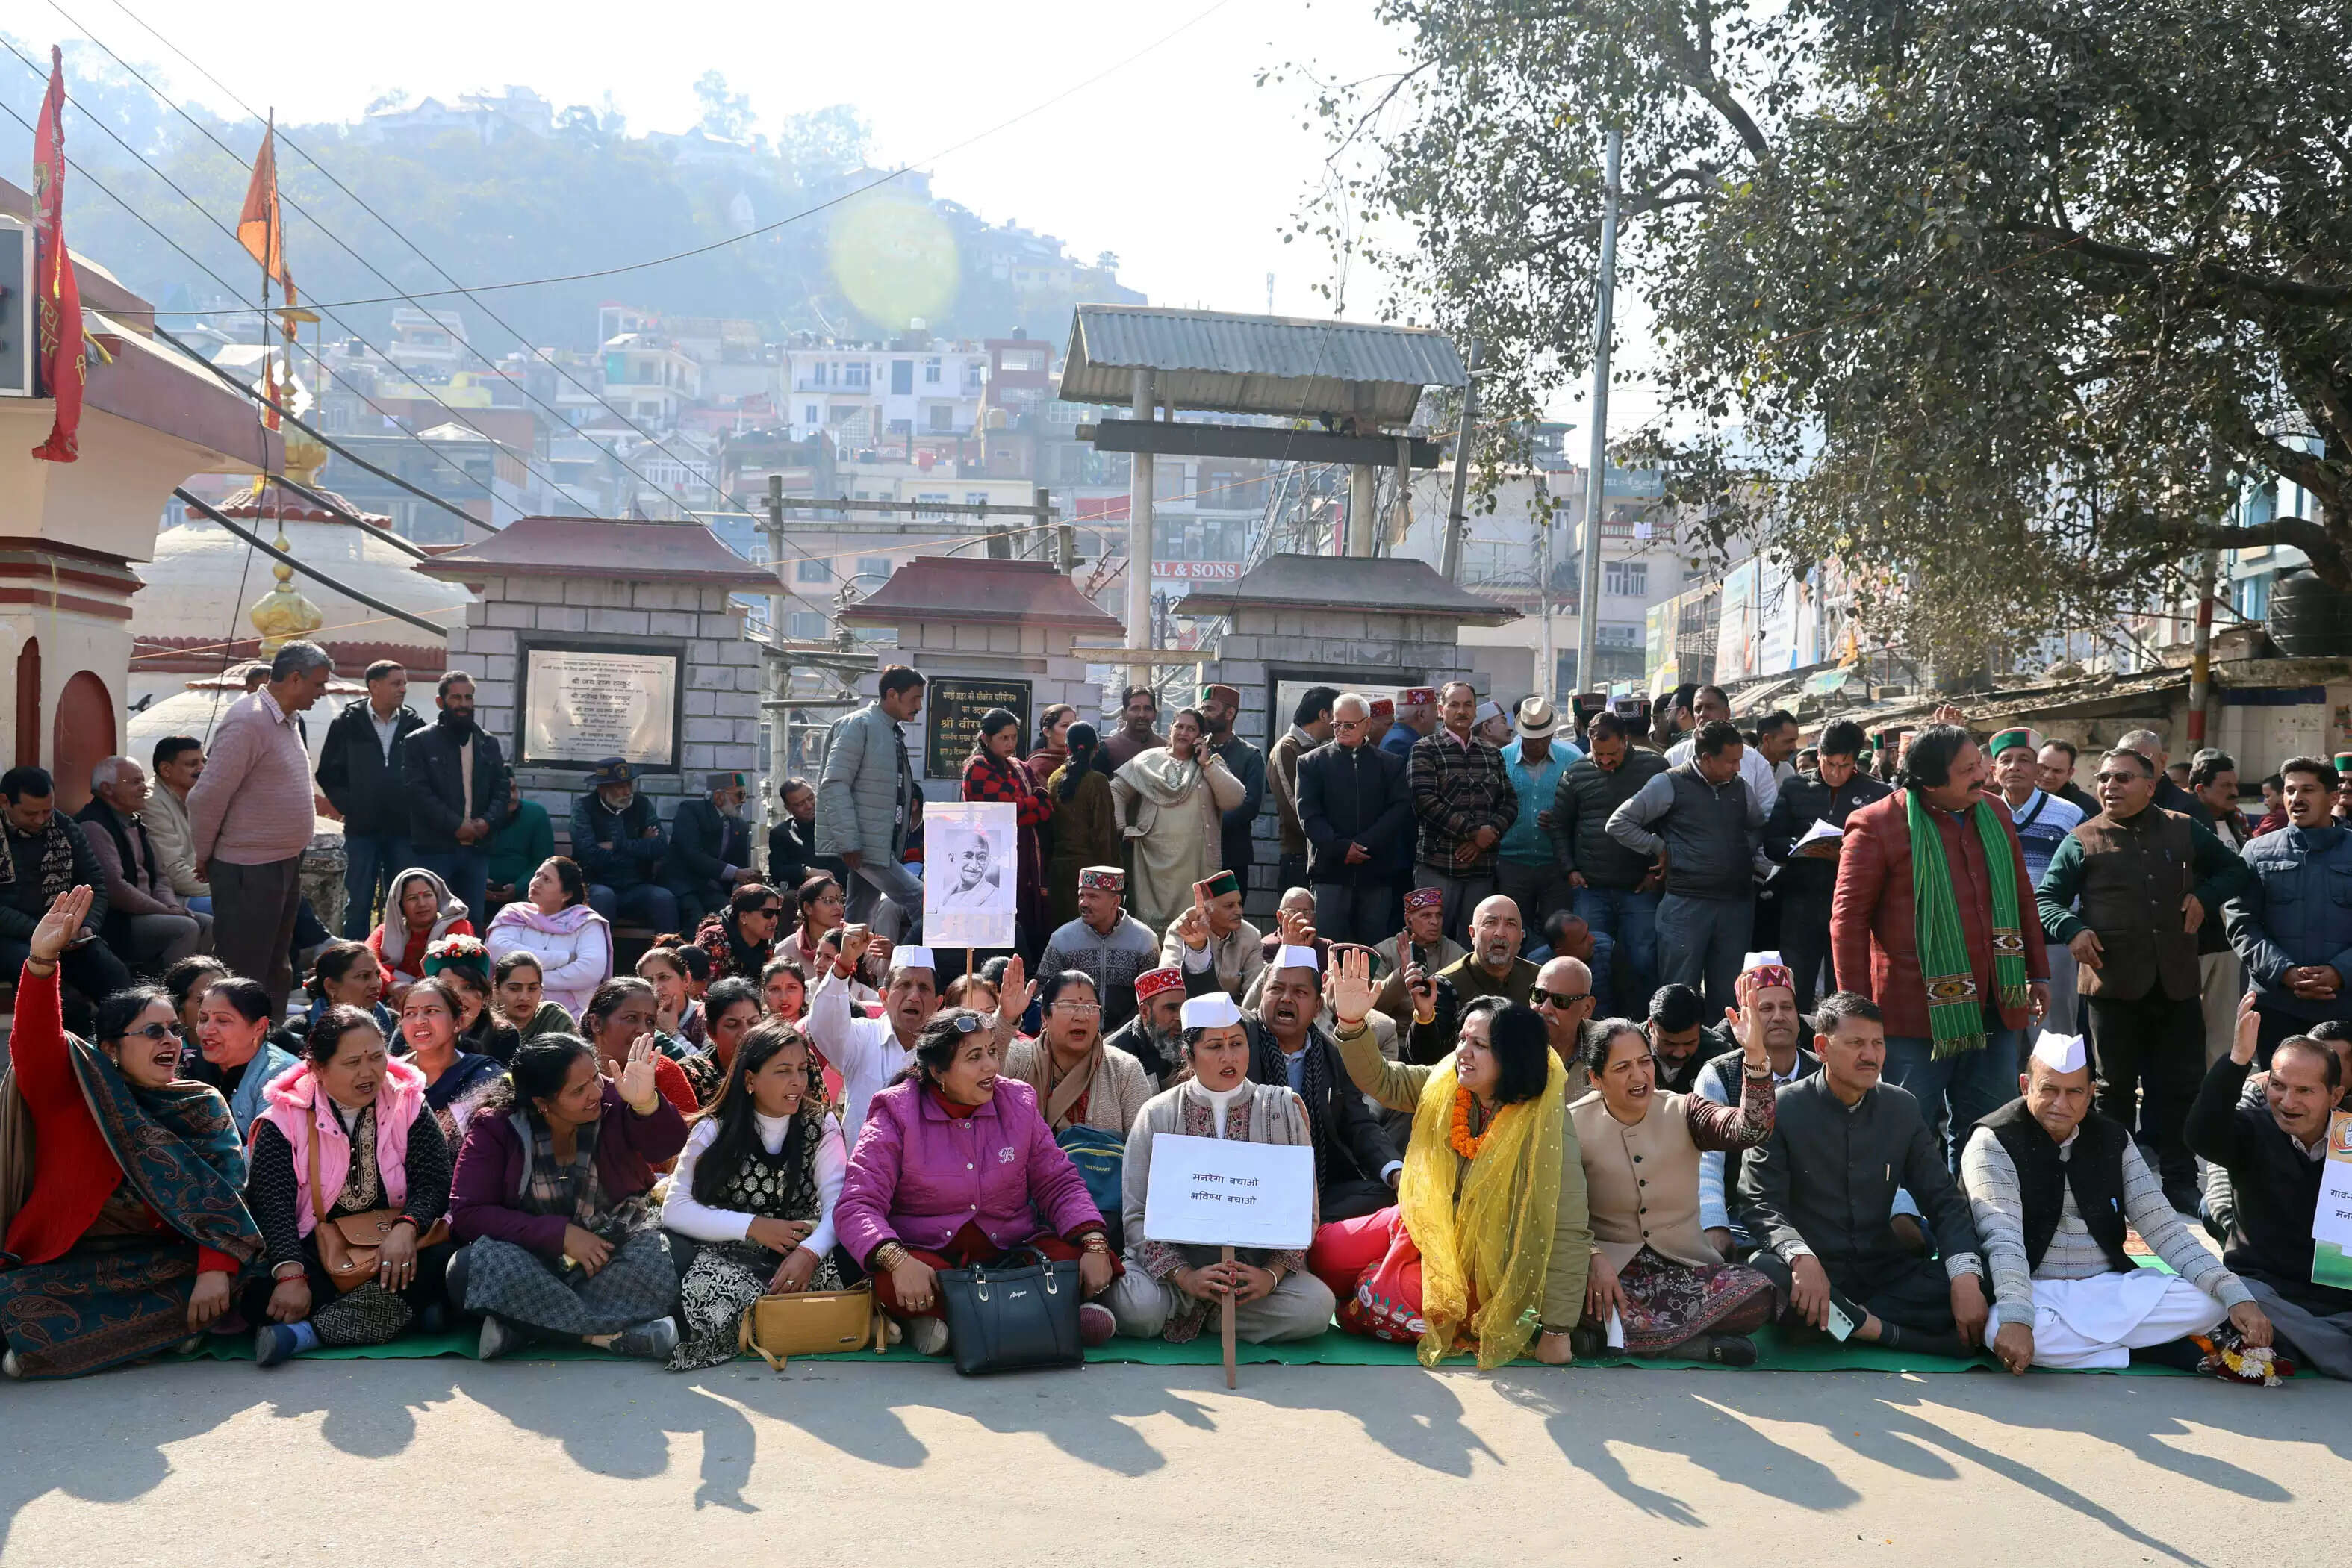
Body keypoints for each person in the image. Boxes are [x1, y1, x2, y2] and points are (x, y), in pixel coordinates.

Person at [0, 889, 263, 1378]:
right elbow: (34, 1042)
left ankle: (79, 1345)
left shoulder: (200, 1102)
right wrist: (41, 961)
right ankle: (161, 1333)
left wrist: (214, 1268)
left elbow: (226, 1191)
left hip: (160, 1260)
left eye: (173, 1031)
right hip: (71, 1262)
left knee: (238, 1275)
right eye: (152, 1032)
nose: (169, 1040)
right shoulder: (74, 1094)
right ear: (111, 1049)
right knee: (14, 1298)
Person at [1317, 960, 1587, 1367]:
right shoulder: (1448, 1083)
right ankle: (1388, 1267)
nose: (1462, 1052)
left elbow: (1567, 1228)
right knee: (1323, 1253)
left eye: (1479, 1045)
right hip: (1420, 1223)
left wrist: (1557, 1330)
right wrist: (1354, 1023)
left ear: (1512, 1058)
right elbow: (1384, 1082)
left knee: (1382, 1298)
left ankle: (1390, 1278)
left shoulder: (1545, 1124)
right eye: (1462, 1039)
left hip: (1479, 1266)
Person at [1962, 1028, 2267, 1375]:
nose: (2061, 1104)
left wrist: (2235, 1295)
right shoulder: (1993, 1140)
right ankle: (2143, 1349)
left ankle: (2098, 1347)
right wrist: (2018, 1316)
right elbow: (2003, 1240)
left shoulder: (2113, 1138)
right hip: (2035, 1290)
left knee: (2211, 1302)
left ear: (2091, 1093)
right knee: (1999, 1326)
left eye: (2074, 1092)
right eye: (2049, 1089)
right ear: (2025, 1085)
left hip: (2106, 1288)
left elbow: (2166, 1229)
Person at [2035, 745, 2251, 1213]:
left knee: (2180, 1086)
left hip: (2175, 982)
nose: (2110, 786)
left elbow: (2236, 870)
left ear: (2150, 786)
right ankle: (2111, 1183)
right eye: (2105, 778)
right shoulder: (2082, 837)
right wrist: (2072, 929)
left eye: (2124, 778)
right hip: (2112, 987)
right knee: (2113, 1091)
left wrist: (2204, 896)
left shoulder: (2183, 828)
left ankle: (2179, 1181)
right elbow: (2045, 899)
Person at [836, 1007, 1121, 1357]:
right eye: (974, 1057)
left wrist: (1093, 1243)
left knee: (1077, 1256)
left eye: (991, 1052)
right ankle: (1049, 1316)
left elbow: (1059, 1182)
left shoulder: (1017, 1101)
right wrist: (897, 1260)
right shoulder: (896, 1111)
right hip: (932, 1260)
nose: (991, 1066)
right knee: (896, 1282)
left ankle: (960, 1326)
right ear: (938, 1071)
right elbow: (857, 1204)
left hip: (1010, 1254)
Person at [1832, 723, 2050, 1169]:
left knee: (1990, 1132)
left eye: (1980, 763)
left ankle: (1978, 1224)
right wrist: (1853, 1010)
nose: (1985, 775)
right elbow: (1848, 921)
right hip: (1913, 1013)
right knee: (1904, 1129)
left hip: (1996, 1000)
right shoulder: (1876, 825)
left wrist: (2037, 971)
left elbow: (2022, 894)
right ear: (1931, 782)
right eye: (1969, 769)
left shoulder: (1995, 813)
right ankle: (1905, 1227)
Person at [1740, 991, 1991, 1356]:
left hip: (1882, 1274)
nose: (1871, 1055)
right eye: (1856, 1043)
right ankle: (1885, 1331)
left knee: (1981, 1273)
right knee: (1765, 1271)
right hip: (1812, 1274)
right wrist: (1799, 1256)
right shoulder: (1783, 1108)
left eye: (1878, 1043)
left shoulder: (1901, 1108)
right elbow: (1760, 1203)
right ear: (1823, 1046)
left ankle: (1854, 1326)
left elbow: (1944, 1201)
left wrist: (1965, 1278)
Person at [1110, 992, 1338, 1345]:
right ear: (1189, 1054)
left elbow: (1302, 1213)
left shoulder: (1281, 1109)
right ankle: (1200, 1306)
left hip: (1253, 1277)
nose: (1229, 1056)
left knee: (1317, 1306)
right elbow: (1137, 1216)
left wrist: (1270, 1277)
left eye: (1237, 1043)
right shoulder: (1157, 1114)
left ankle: (1221, 1314)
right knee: (1138, 1307)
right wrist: (1186, 1277)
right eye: (1214, 1046)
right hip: (1175, 1278)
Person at [447, 1033, 686, 1361]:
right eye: (578, 1090)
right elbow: (469, 1212)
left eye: (594, 1078)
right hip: (533, 1257)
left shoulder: (616, 1098)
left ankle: (524, 1325)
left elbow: (668, 1147)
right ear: (542, 1103)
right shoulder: (496, 1125)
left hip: (614, 1246)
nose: (594, 1093)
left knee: (676, 1256)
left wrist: (646, 1104)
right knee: (467, 1269)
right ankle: (609, 1337)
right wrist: (561, 1235)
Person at [240, 1003, 454, 1365]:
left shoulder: (407, 1100)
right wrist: (291, 1274)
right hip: (317, 1248)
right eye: (353, 1063)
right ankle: (413, 1313)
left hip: (396, 1244)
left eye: (376, 1057)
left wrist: (407, 1227)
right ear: (318, 1068)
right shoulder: (283, 1118)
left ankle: (309, 1335)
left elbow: (435, 1180)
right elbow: (272, 1205)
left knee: (446, 1262)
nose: (369, 1072)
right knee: (258, 1295)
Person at [1572, 1007, 1776, 1364]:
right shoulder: (1571, 1124)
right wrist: (1591, 1256)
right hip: (1610, 1274)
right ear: (1596, 1078)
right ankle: (1694, 1345)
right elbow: (1557, 1208)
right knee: (1561, 1294)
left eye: (1644, 1062)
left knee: (1759, 1293)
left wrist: (1756, 1056)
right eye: (1622, 1068)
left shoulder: (1685, 1110)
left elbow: (1750, 1129)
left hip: (1683, 1270)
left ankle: (1615, 1339)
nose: (1639, 1075)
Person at [661, 1019, 853, 1372]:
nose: (798, 1082)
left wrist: (810, 1253)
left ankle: (767, 1323)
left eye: (801, 1070)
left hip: (797, 1247)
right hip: (726, 1250)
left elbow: (837, 1205)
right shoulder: (713, 1127)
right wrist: (753, 1226)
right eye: (783, 1071)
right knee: (703, 1285)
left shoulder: (820, 1124)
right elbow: (674, 1209)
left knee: (847, 1261)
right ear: (750, 1080)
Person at [2187, 999, 2352, 1378]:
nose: (2288, 1102)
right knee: (2226, 1297)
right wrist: (2237, 1060)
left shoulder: (2349, 1137)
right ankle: (2312, 1347)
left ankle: (2287, 1345)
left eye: (2305, 1091)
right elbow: (2201, 1134)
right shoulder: (2251, 1129)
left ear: (2335, 1096)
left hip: (2338, 1297)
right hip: (2264, 1290)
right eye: (2278, 1086)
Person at [187, 640, 333, 1018]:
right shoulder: (249, 720)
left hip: (281, 861)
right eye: (318, 685)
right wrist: (205, 854)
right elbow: (206, 797)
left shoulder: (287, 719)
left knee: (276, 966)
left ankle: (269, 1042)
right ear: (295, 678)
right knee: (244, 971)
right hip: (247, 867)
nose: (323, 692)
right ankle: (234, 1053)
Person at [1234, 947, 1402, 1220]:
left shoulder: (1330, 1053)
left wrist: (1396, 1171)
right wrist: (1197, 954)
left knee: (1384, 1195)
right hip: (1245, 1185)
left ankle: (1304, 1228)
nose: (1286, 998)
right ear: (1262, 993)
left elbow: (1357, 1121)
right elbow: (1208, 1016)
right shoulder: (1239, 1037)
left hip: (1314, 1187)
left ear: (1316, 1007)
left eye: (1300, 992)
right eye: (1276, 988)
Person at [1605, 720, 1761, 1015]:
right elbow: (1619, 823)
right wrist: (1659, 848)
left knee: (1729, 998)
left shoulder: (1740, 788)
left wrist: (1743, 853)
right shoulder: (1669, 783)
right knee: (1678, 995)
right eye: (1731, 761)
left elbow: (1756, 827)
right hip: (1686, 906)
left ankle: (1721, 1055)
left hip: (1735, 907)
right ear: (1706, 759)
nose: (1737, 768)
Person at [1696, 956, 1832, 1260]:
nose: (1779, 1016)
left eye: (1787, 1007)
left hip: (1822, 1219)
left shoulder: (1826, 1070)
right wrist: (1714, 1223)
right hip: (1742, 1218)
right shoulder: (1719, 1074)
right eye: (1765, 1009)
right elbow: (1708, 1161)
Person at [2227, 756, 2352, 1066]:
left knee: (2342, 1104)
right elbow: (2242, 924)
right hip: (2278, 1005)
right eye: (2290, 790)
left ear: (2333, 797)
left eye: (2308, 790)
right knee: (2279, 1099)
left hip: (2345, 1006)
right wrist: (2284, 972)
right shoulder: (2257, 852)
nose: (2296, 798)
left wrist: (2341, 972)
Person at [1761, 719, 1891, 1013]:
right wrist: (1799, 847)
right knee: (1796, 987)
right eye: (1828, 763)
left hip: (1852, 908)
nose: (1834, 773)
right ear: (1817, 753)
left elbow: (1886, 854)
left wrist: (1848, 856)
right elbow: (1771, 843)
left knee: (1845, 990)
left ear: (1856, 761)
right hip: (1800, 903)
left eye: (1844, 765)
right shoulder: (1795, 787)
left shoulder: (1877, 794)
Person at [803, 932, 957, 1145]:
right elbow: (824, 1027)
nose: (913, 996)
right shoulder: (862, 1037)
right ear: (883, 997)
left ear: (938, 1003)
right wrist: (843, 965)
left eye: (924, 988)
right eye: (904, 986)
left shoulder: (947, 1053)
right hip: (863, 1173)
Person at [1984, 725, 2085, 1033]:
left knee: (2055, 1034)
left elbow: (2084, 880)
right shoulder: (1979, 812)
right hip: (1993, 943)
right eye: (2006, 759)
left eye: (2024, 759)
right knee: (2000, 1034)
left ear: (2038, 769)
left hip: (2052, 942)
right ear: (1994, 769)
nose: (2014, 766)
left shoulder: (2069, 815)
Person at [315, 659, 423, 939]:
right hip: (362, 831)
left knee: (402, 900)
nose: (403, 689)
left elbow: (427, 775)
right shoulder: (347, 723)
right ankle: (355, 960)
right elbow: (327, 773)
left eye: (404, 683)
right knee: (359, 902)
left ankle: (397, 960)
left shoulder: (415, 724)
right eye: (396, 683)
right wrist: (352, 807)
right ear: (374, 686)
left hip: (403, 831)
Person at [1111, 706, 1246, 930]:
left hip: (1196, 861)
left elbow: (1234, 799)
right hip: (1151, 862)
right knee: (1149, 932)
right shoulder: (1147, 761)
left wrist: (1207, 764)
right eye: (1179, 726)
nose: (1184, 733)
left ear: (1200, 737)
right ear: (1170, 729)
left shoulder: (1210, 763)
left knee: (1193, 927)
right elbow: (1116, 790)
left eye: (1191, 729)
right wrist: (1122, 828)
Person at [817, 665, 927, 938]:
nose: (919, 706)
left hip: (874, 845)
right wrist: (850, 842)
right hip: (865, 845)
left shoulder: (888, 729)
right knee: (923, 901)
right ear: (892, 694)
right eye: (914, 698)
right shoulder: (859, 725)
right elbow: (834, 784)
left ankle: (847, 972)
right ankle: (920, 971)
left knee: (858, 919)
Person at [1409, 682, 1519, 945]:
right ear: (1440, 709)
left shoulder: (1491, 753)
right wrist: (1472, 833)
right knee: (1429, 939)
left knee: (1477, 941)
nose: (1461, 711)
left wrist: (1487, 836)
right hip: (1438, 864)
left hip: (1481, 868)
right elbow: (1425, 802)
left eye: (1468, 704)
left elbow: (1510, 802)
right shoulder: (1425, 749)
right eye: (1454, 705)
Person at [76, 757, 209, 974]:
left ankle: (196, 991)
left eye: (142, 781)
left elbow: (161, 877)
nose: (143, 788)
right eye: (135, 782)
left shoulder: (135, 821)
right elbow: (116, 889)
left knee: (207, 923)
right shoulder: (94, 826)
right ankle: (169, 995)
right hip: (118, 920)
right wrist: (165, 911)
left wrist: (170, 907)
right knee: (186, 928)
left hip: (148, 911)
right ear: (107, 789)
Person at [1299, 692, 1413, 945]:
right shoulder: (1312, 763)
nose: (1341, 730)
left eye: (1349, 725)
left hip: (1376, 871)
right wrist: (1341, 848)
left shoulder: (1390, 764)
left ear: (1367, 724)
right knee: (1328, 947)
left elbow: (1399, 810)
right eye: (1336, 724)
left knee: (1372, 950)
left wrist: (1364, 844)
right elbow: (1309, 815)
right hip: (1330, 871)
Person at [399, 671, 505, 928]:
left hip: (477, 851)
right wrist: (456, 825)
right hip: (436, 849)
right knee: (433, 923)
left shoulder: (487, 742)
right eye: (456, 698)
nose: (464, 704)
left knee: (472, 922)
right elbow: (418, 793)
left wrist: (487, 822)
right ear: (441, 702)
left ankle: (470, 970)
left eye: (468, 698)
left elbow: (502, 790)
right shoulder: (419, 742)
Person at [1402, 894, 1537, 1064]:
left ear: (1521, 936)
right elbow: (1425, 1059)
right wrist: (1424, 1014)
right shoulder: (1446, 985)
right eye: (1490, 922)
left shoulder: (1540, 981)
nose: (1500, 933)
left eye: (1510, 925)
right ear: (1472, 934)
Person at [959, 707, 1054, 948]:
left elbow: (1046, 806)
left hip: (1023, 854)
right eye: (1004, 738)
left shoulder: (1018, 766)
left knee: (1025, 912)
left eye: (1014, 737)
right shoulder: (977, 768)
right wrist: (1028, 805)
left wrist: (1024, 808)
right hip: (993, 855)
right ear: (985, 739)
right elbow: (1003, 812)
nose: (1011, 743)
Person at [485, 855, 613, 1020]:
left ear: (566, 894)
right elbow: (498, 950)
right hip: (511, 1014)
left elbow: (590, 970)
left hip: (571, 1018)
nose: (537, 882)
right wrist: (563, 958)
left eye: (547, 879)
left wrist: (532, 983)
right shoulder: (514, 914)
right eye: (537, 875)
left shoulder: (586, 922)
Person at [178, 973, 302, 1139]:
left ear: (259, 1027)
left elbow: (261, 1152)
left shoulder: (282, 1075)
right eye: (203, 1018)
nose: (207, 1030)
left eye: (222, 1021)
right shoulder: (187, 1063)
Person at [1039, 865, 1160, 1033]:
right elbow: (1043, 993)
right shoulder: (1062, 939)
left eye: (1093, 897)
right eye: (1081, 895)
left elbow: (1150, 1001)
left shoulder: (1145, 941)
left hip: (1129, 1037)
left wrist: (1117, 1035)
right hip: (1071, 1034)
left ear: (1115, 902)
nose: (1083, 903)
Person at [1496, 697, 1581, 933]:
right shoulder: (1501, 759)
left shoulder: (1571, 761)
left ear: (1552, 735)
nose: (1537, 744)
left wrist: (1560, 818)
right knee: (1513, 931)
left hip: (1556, 865)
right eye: (1532, 739)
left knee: (1557, 932)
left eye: (1543, 738)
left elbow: (1583, 807)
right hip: (1512, 864)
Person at [570, 757, 675, 933]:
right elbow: (589, 855)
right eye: (620, 787)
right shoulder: (584, 808)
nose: (627, 792)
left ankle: (668, 955)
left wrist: (616, 845)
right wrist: (640, 845)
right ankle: (601, 958)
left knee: (664, 898)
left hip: (637, 886)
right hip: (597, 884)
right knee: (604, 897)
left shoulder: (642, 805)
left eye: (629, 785)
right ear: (602, 788)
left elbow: (660, 847)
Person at [399, 974, 504, 1145]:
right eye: (410, 1013)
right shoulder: (390, 1077)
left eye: (431, 1011)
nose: (419, 1021)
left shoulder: (485, 1078)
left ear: (457, 1022)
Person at [579, 977, 701, 1115]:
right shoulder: (574, 1073)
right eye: (631, 1018)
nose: (643, 1030)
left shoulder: (664, 1072)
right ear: (596, 1024)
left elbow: (687, 1133)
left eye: (650, 1021)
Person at [1042, 723, 1120, 927]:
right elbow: (1103, 834)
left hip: (1059, 872)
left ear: (1067, 748)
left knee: (1063, 932)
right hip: (1091, 876)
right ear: (1096, 749)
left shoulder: (1054, 779)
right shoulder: (1098, 781)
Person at [1664, 685, 1781, 818]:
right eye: (1698, 709)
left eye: (1710, 707)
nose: (1702, 714)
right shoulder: (1674, 756)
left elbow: (1767, 814)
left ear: (1726, 713)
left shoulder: (1755, 761)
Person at [665, 771, 759, 930]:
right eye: (739, 795)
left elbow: (739, 866)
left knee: (731, 916)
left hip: (713, 890)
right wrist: (736, 873)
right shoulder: (691, 811)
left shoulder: (740, 825)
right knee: (695, 919)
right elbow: (692, 855)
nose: (743, 801)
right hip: (685, 885)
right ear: (719, 797)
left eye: (745, 795)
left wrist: (749, 878)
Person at [1269, 686, 1339, 897]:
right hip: (1299, 856)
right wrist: (1331, 839)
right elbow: (1294, 807)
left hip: (1326, 854)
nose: (1340, 723)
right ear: (1323, 714)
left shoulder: (1322, 749)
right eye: (1337, 715)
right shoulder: (1286, 749)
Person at [1195, 683, 1266, 890]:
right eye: (1202, 708)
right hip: (1196, 854)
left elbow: (1249, 806)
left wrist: (1210, 823)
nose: (1203, 714)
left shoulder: (1250, 756)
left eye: (1210, 709)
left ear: (1229, 713)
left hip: (1232, 855)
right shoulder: (1196, 749)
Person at [367, 866, 473, 998]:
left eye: (428, 895)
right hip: (392, 998)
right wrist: (392, 985)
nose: (422, 904)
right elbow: (368, 959)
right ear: (400, 906)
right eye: (412, 898)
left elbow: (458, 971)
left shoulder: (457, 927)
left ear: (438, 898)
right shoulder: (386, 931)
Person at [1373, 886, 1465, 1024]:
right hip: (1397, 1035)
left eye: (1439, 915)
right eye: (1426, 915)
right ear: (1408, 920)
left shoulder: (1456, 952)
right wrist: (1401, 974)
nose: (1435, 922)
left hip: (1441, 1033)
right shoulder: (1385, 952)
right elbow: (1375, 1007)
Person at [143, 736, 212, 913]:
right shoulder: (152, 803)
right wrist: (227, 889)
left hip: (204, 888)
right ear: (166, 769)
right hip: (175, 898)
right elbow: (173, 873)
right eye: (193, 764)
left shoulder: (197, 795)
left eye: (203, 761)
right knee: (245, 907)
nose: (202, 769)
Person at [428, 939, 518, 1065]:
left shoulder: (504, 1035)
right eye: (447, 987)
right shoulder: (414, 1029)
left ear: (485, 996)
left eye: (468, 987)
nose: (458, 996)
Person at [483, 777, 553, 921]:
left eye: (514, 789)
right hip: (480, 888)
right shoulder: (476, 816)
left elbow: (543, 861)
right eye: (504, 792)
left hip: (525, 890)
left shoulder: (536, 815)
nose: (512, 797)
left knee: (538, 899)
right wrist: (479, 881)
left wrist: (518, 887)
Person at [1105, 965, 1187, 1086]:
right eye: (1171, 1008)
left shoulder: (1195, 1042)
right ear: (1145, 1011)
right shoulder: (1113, 1056)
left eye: (1185, 1008)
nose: (1180, 1017)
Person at [1644, 982, 1730, 1096]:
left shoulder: (1719, 1056)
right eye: (1669, 1044)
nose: (1680, 1054)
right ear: (1651, 1026)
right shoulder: (1626, 1048)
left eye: (1690, 1043)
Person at [767, 776, 848, 893]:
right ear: (788, 808)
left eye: (811, 798)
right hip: (806, 895)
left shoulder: (838, 823)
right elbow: (777, 872)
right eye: (800, 804)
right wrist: (806, 872)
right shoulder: (781, 834)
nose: (809, 806)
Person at [303, 941, 396, 1042]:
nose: (376, 984)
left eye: (377, 974)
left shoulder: (394, 1022)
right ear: (331, 986)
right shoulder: (301, 1030)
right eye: (363, 976)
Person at [694, 881, 781, 986]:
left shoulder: (769, 946)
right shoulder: (713, 939)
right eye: (768, 913)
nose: (774, 920)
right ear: (744, 916)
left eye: (777, 913)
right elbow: (701, 990)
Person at [493, 949, 576, 1041]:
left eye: (532, 989)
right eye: (514, 989)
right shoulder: (484, 1022)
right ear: (496, 989)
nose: (524, 997)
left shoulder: (555, 1020)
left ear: (541, 989)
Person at [700, 975, 765, 1074]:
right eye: (732, 1025)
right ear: (711, 1031)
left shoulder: (779, 1066)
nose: (745, 1033)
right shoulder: (696, 1075)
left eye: (753, 1022)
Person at [1098, 684, 1169, 773]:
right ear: (1124, 714)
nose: (1142, 715)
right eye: (1135, 709)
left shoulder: (1166, 749)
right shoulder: (1106, 751)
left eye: (1147, 709)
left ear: (1155, 714)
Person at [2036, 738, 2101, 819]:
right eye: (2044, 767)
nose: (2048, 775)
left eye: (2057, 771)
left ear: (2070, 773)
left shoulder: (2086, 807)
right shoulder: (2017, 797)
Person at [1028, 703, 1077, 788]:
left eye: (1074, 725)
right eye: (1065, 725)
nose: (1072, 730)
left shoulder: (1080, 759)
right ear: (1047, 732)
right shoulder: (1039, 766)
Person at [2253, 773, 2288, 838]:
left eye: (2267, 796)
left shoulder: (2278, 817)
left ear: (2282, 794)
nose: (2265, 803)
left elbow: (2252, 841)